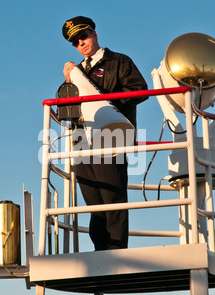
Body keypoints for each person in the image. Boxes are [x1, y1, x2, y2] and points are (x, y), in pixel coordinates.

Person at [61, 16, 148, 250]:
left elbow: (140, 91)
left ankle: (117, 250)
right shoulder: (76, 72)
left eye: (83, 36)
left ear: (95, 33)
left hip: (110, 135)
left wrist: (106, 105)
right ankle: (100, 251)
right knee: (93, 201)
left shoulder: (119, 62)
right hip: (81, 139)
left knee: (112, 197)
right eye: (75, 42)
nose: (81, 43)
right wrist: (68, 84)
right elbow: (64, 110)